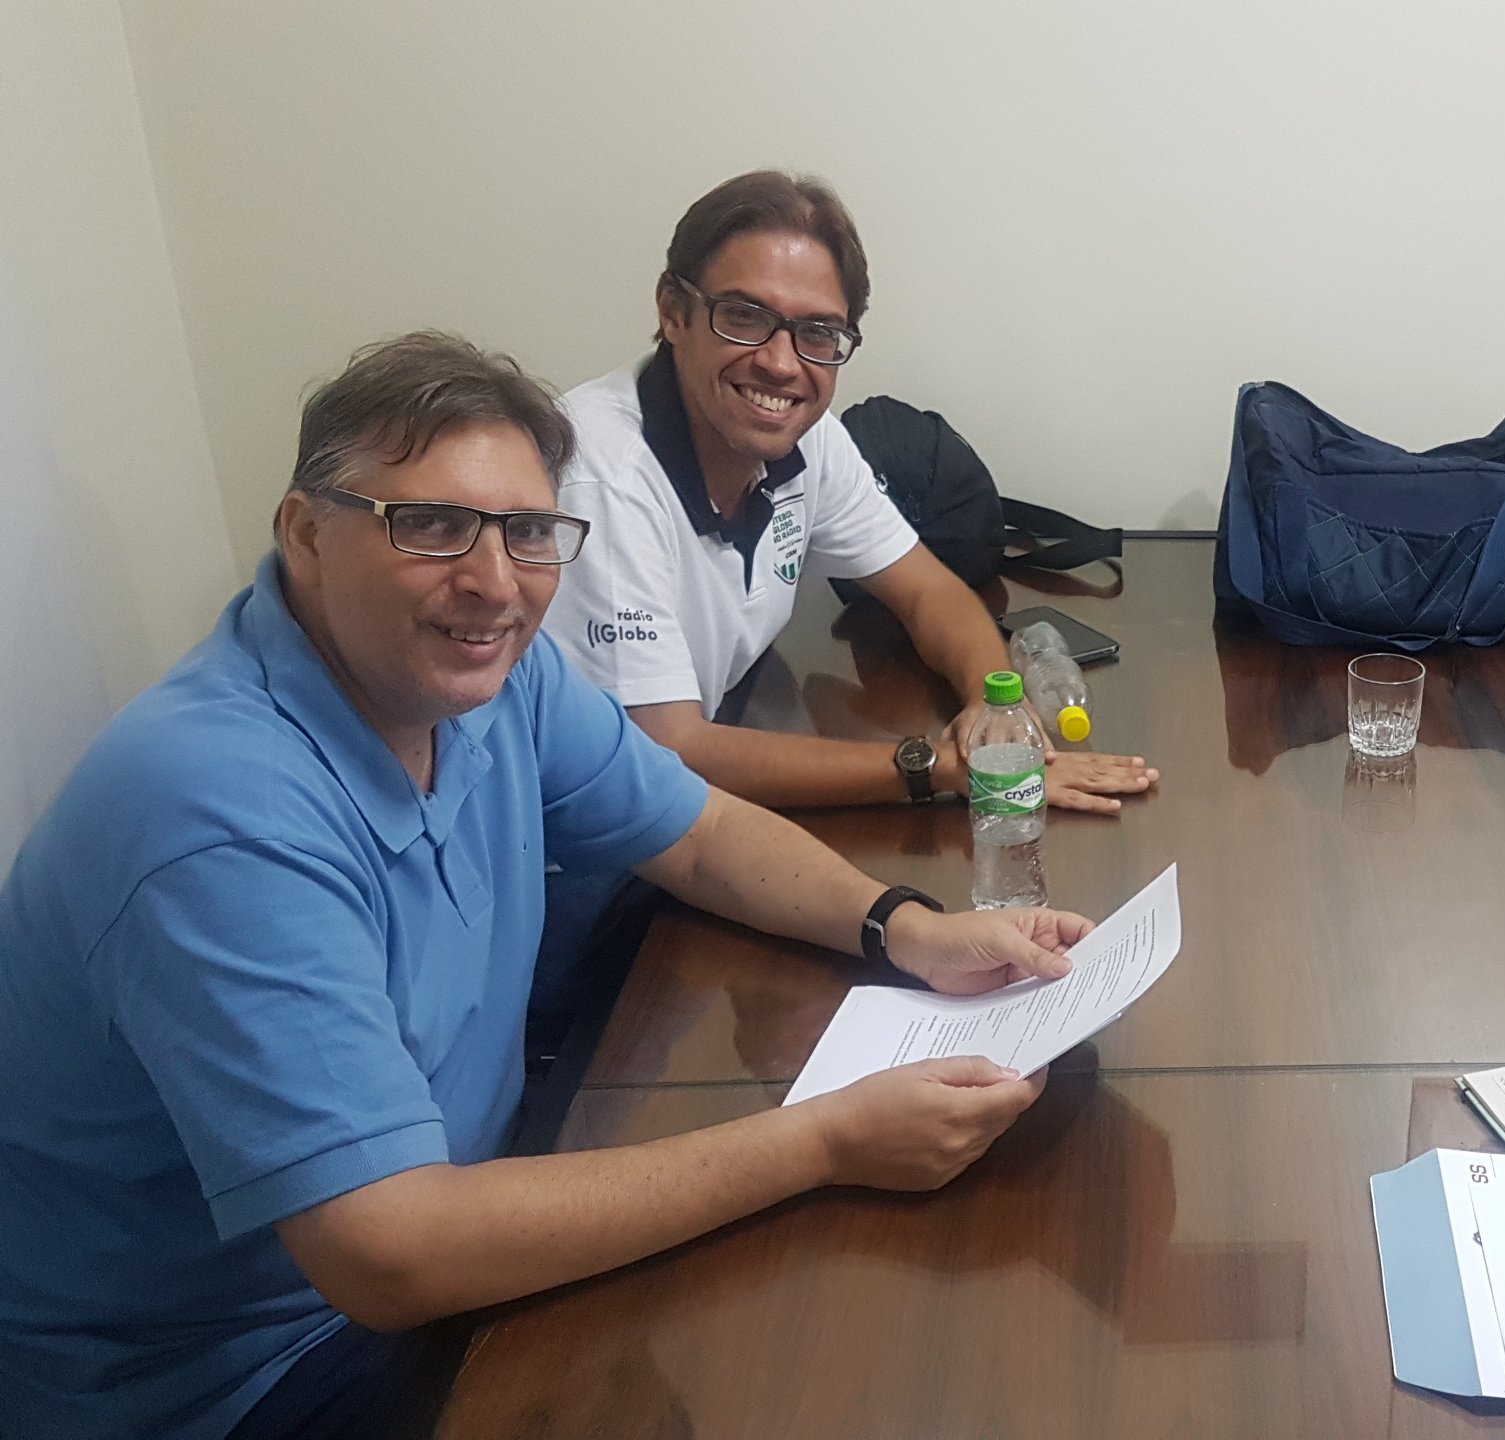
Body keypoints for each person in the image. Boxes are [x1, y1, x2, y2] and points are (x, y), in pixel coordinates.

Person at [0, 334, 1094, 1440]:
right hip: (234, 1378)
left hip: (448, 1211)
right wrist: (822, 1142)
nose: (493, 582)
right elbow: (390, 1253)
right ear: (306, 534)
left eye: (528, 533)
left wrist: (907, 928)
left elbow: (699, 833)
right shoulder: (215, 812)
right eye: (432, 526)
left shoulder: (490, 675)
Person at [540, 170, 1158, 813]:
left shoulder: (808, 438)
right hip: (585, 840)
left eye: (817, 333)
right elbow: (668, 752)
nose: (781, 363)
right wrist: (937, 767)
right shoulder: (602, 479)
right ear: (673, 310)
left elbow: (928, 590)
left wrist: (993, 707)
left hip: (701, 781)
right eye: (744, 316)